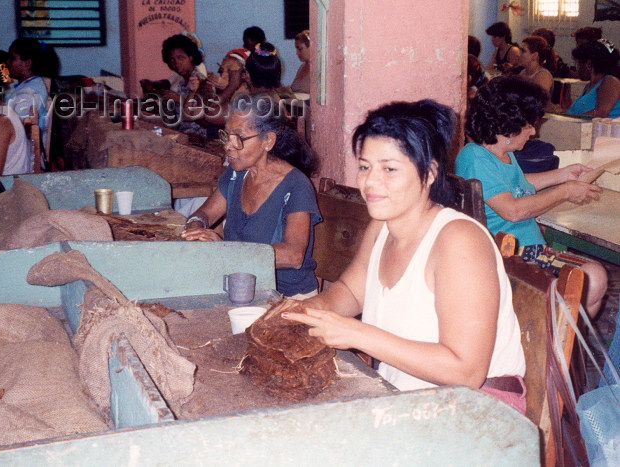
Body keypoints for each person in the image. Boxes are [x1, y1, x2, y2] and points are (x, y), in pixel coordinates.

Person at [283, 99, 527, 413]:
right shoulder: (381, 227)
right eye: (365, 166)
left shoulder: (458, 241)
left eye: (389, 169)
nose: (370, 181)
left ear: (428, 174)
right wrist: (304, 312)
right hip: (409, 397)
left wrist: (356, 333)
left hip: (476, 410)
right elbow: (350, 292)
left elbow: (466, 371)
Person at [456, 76, 608, 317]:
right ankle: (555, 346)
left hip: (524, 248)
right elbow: (512, 210)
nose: (533, 131)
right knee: (594, 277)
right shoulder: (475, 158)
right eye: (528, 125)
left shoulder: (496, 153)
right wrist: (565, 191)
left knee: (591, 277)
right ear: (508, 124)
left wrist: (563, 175)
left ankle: (558, 345)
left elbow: (518, 186)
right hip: (511, 253)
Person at [181, 93, 321, 298]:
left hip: (287, 298)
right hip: (241, 287)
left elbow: (294, 256)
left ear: (268, 141)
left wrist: (226, 251)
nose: (228, 145)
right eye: (227, 136)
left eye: (239, 138)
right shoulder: (236, 174)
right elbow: (205, 214)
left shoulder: (296, 185)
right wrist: (195, 227)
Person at [3, 38, 57, 146]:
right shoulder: (23, 85)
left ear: (27, 64)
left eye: (12, 58)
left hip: (20, 153)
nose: (7, 62)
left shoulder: (29, 94)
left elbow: (11, 130)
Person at [567, 39, 620, 118]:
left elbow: (601, 113)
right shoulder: (589, 86)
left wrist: (569, 121)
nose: (577, 68)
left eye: (578, 63)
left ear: (588, 64)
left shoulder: (610, 82)